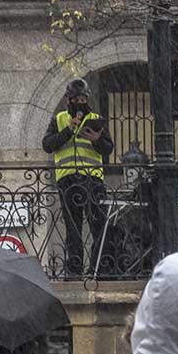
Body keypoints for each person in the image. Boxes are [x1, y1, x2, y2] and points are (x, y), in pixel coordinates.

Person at [42, 78, 113, 279]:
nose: (80, 103)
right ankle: (74, 271)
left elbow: (108, 148)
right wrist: (68, 130)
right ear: (68, 99)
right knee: (73, 229)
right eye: (76, 99)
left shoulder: (96, 119)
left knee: (98, 225)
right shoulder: (59, 119)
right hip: (67, 180)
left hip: (93, 179)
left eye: (83, 99)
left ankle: (100, 270)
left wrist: (97, 139)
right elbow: (47, 145)